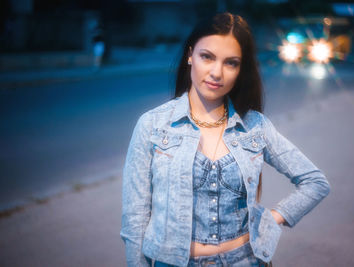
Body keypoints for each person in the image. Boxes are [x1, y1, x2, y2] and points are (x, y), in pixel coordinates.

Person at [120, 12, 330, 267]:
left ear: (241, 70)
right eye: (207, 57)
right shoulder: (153, 125)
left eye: (231, 63)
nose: (216, 72)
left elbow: (315, 182)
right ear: (190, 55)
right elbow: (135, 221)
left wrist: (271, 219)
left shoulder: (255, 126)